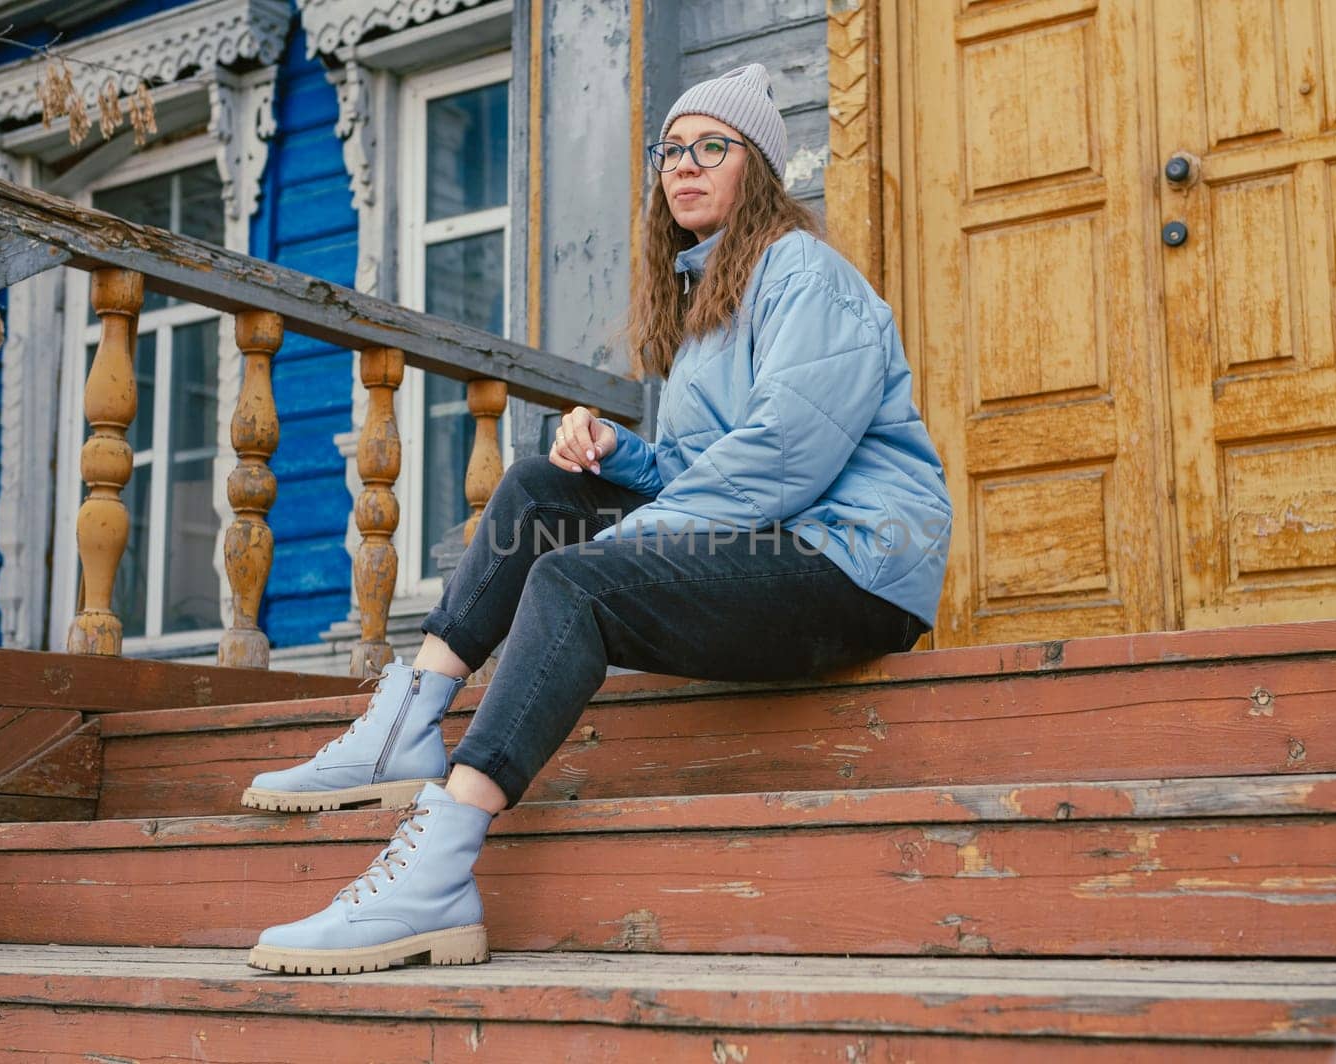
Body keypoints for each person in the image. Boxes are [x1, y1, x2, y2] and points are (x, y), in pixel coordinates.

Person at [240, 62, 952, 975]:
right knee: (540, 488)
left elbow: (783, 459)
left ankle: (440, 866)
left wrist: (624, 539)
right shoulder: (708, 302)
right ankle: (403, 723)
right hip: (776, 544)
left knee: (575, 578)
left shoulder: (806, 275)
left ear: (758, 169)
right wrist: (622, 456)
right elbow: (705, 475)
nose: (684, 167)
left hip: (853, 566)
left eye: (711, 148)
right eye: (670, 152)